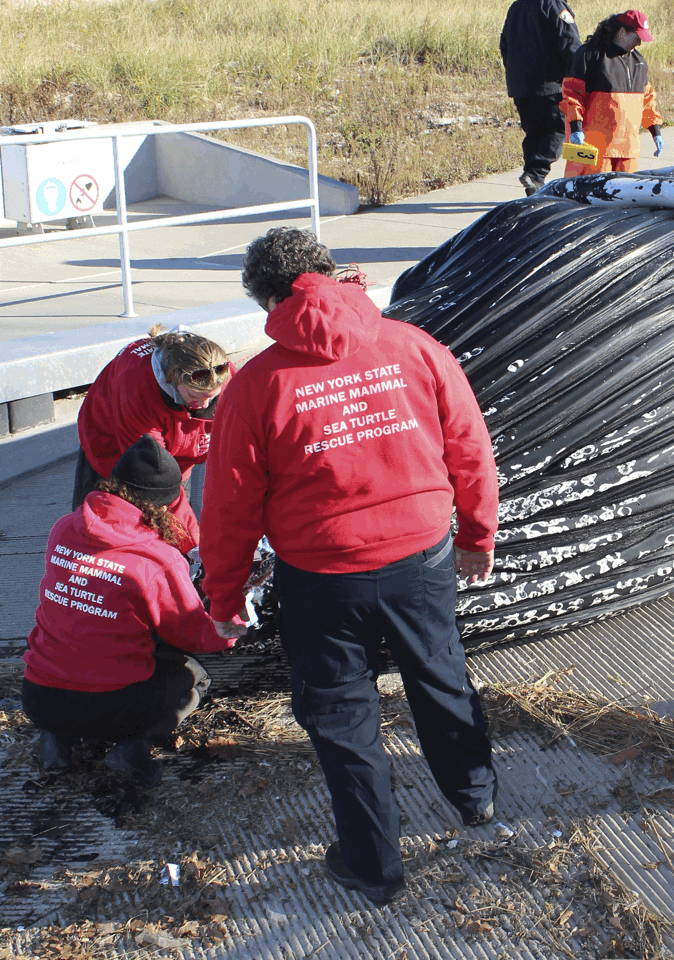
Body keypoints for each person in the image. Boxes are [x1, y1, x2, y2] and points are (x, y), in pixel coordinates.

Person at [200, 227, 500, 905]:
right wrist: (477, 535)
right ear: (332, 273)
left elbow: (228, 507)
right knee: (440, 675)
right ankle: (475, 796)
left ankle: (373, 865)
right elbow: (469, 447)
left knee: (341, 715)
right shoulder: (413, 346)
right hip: (420, 556)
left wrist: (224, 594)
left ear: (268, 301)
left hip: (320, 576)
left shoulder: (256, 385)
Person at [22, 435, 238, 787]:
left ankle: (56, 740)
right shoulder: (157, 557)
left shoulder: (64, 528)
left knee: (80, 665)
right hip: (111, 707)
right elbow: (196, 635)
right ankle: (132, 746)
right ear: (165, 505)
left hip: (39, 696)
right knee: (194, 676)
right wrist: (236, 621)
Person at [75, 324, 234, 551]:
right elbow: (153, 478)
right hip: (113, 445)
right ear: (173, 378)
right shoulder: (136, 388)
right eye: (194, 396)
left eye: (212, 397)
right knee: (105, 525)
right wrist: (193, 544)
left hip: (180, 444)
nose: (204, 404)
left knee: (177, 529)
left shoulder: (222, 375)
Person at [560, 9, 664, 178]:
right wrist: (575, 129)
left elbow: (647, 101)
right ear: (622, 32)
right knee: (585, 192)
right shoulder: (589, 55)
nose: (639, 43)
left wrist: (656, 132)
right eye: (637, 37)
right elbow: (572, 95)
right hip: (591, 151)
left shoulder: (639, 62)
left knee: (627, 194)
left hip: (628, 151)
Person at [500, 0, 581, 196]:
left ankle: (533, 183)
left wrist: (515, 74)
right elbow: (569, 42)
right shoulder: (553, 5)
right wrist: (580, 75)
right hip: (549, 84)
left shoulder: (516, 6)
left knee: (534, 134)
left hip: (521, 86)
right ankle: (535, 174)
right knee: (558, 128)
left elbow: (504, 44)